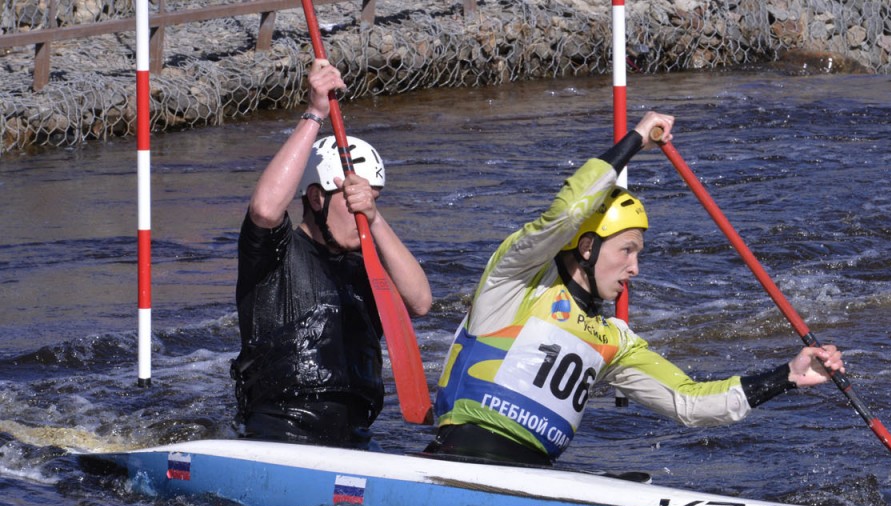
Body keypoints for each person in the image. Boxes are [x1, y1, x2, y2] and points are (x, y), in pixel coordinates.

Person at [425, 110, 844, 467]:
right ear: (586, 247)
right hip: (461, 459)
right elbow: (568, 212)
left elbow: (690, 402)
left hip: (536, 473)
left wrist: (788, 376)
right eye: (626, 250)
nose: (635, 268)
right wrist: (636, 140)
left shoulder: (615, 341)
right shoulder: (517, 282)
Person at [230, 58, 432, 449]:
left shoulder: (368, 268)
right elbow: (265, 210)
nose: (362, 210)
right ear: (316, 198)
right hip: (280, 431)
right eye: (352, 201)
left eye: (372, 199)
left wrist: (375, 220)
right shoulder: (275, 255)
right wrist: (315, 112)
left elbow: (420, 302)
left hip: (354, 438)